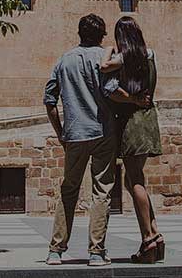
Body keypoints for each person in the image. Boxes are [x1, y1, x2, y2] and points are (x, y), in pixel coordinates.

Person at [43, 14, 148, 267]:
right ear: (102, 36)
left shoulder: (63, 60)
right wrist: (134, 100)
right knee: (102, 192)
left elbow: (49, 100)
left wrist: (60, 133)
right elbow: (111, 90)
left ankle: (56, 251)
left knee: (69, 190)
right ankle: (96, 252)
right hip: (103, 132)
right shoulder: (104, 60)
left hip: (75, 134)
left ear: (79, 34)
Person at [100, 16, 165, 264]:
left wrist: (108, 49)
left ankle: (148, 239)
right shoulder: (150, 54)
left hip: (132, 121)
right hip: (149, 120)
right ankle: (156, 234)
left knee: (134, 179)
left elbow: (104, 68)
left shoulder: (123, 58)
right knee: (135, 179)